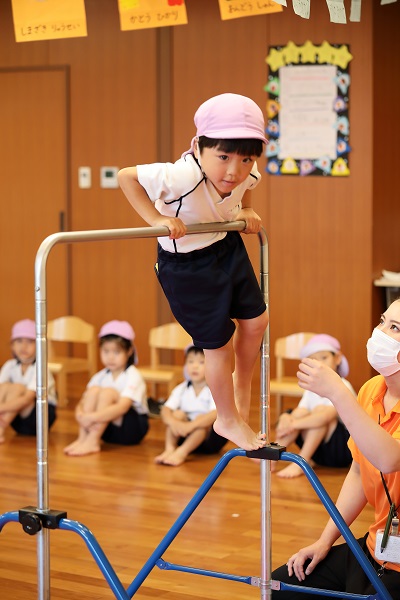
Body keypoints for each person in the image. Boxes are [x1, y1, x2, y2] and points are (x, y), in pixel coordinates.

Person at [118, 93, 269, 451]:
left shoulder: (246, 171)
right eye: (223, 157)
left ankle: (240, 386)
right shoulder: (180, 174)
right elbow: (127, 177)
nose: (233, 170)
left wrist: (245, 211)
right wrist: (156, 219)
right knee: (218, 345)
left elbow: (247, 185)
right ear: (199, 147)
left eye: (245, 158)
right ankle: (227, 419)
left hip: (225, 246)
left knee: (257, 321)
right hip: (186, 266)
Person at [272, 298, 400, 598]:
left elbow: (389, 458)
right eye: (382, 321)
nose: (379, 332)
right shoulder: (371, 390)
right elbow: (358, 471)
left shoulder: (352, 392)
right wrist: (324, 540)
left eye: (394, 328)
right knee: (283, 585)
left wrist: (338, 393)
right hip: (375, 548)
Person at [274, 334, 356, 479]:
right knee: (298, 414)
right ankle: (271, 456)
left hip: (342, 450)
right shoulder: (311, 388)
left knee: (320, 413)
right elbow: (301, 410)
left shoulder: (343, 385)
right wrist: (288, 418)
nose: (320, 364)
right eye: (315, 360)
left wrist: (293, 424)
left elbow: (325, 416)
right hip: (320, 450)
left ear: (337, 358)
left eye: (324, 358)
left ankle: (302, 462)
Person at [64, 320, 149, 456]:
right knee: (94, 391)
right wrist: (80, 414)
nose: (110, 357)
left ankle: (92, 441)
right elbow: (83, 402)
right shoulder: (100, 376)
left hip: (131, 430)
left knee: (107, 393)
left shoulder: (133, 375)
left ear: (129, 351)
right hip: (107, 430)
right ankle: (83, 439)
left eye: (116, 352)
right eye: (106, 351)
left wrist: (91, 417)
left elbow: (122, 407)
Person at [155, 346, 227, 466]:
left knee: (201, 420)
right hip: (183, 434)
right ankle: (169, 449)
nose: (195, 366)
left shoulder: (213, 389)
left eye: (201, 362)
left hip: (207, 439)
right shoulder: (181, 388)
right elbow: (166, 410)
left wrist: (190, 426)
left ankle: (182, 453)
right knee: (178, 414)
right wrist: (174, 422)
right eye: (190, 361)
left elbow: (214, 414)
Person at [0, 319, 57, 442]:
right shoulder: (9, 365)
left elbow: (27, 399)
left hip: (39, 419)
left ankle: (0, 428)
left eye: (30, 342)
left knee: (18, 388)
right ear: (12, 345)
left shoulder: (41, 368)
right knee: (5, 387)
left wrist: (1, 408)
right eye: (19, 341)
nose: (23, 346)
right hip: (16, 420)